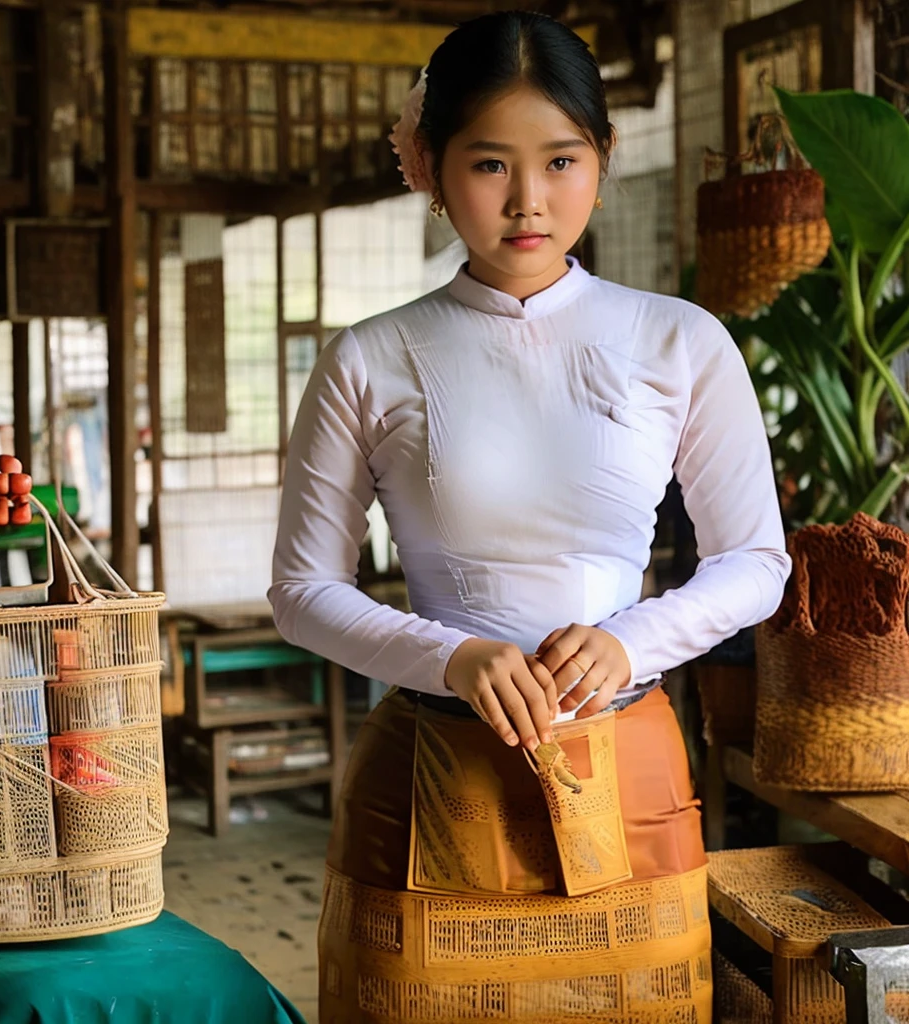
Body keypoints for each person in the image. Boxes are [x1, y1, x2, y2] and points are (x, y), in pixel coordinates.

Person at [268, 11, 791, 1022]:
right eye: (489, 164)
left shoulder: (678, 342)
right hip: (429, 771)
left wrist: (629, 640)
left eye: (559, 161)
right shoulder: (367, 358)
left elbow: (753, 560)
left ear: (602, 154)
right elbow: (301, 592)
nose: (527, 202)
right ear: (429, 163)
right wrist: (453, 656)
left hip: (622, 763)